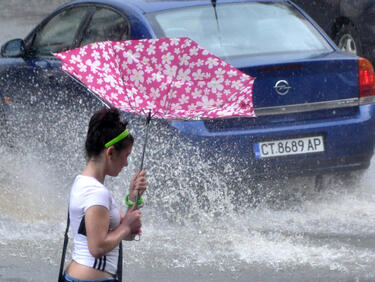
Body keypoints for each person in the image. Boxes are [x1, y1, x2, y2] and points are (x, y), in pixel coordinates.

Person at [63, 107, 147, 281]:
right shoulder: (97, 193)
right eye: (126, 155)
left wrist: (133, 199)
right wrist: (125, 228)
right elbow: (97, 247)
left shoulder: (82, 182)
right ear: (110, 152)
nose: (126, 163)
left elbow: (127, 231)